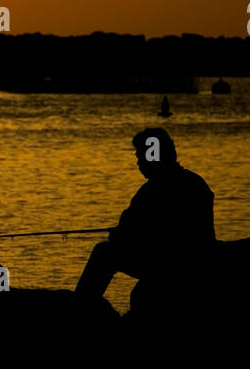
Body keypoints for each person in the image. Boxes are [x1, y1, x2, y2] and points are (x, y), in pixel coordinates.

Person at [75, 128, 215, 299]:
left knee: (104, 252)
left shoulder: (152, 191)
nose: (139, 163)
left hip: (172, 264)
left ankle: (81, 305)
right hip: (198, 260)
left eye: (141, 156)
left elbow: (124, 234)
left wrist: (119, 234)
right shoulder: (195, 182)